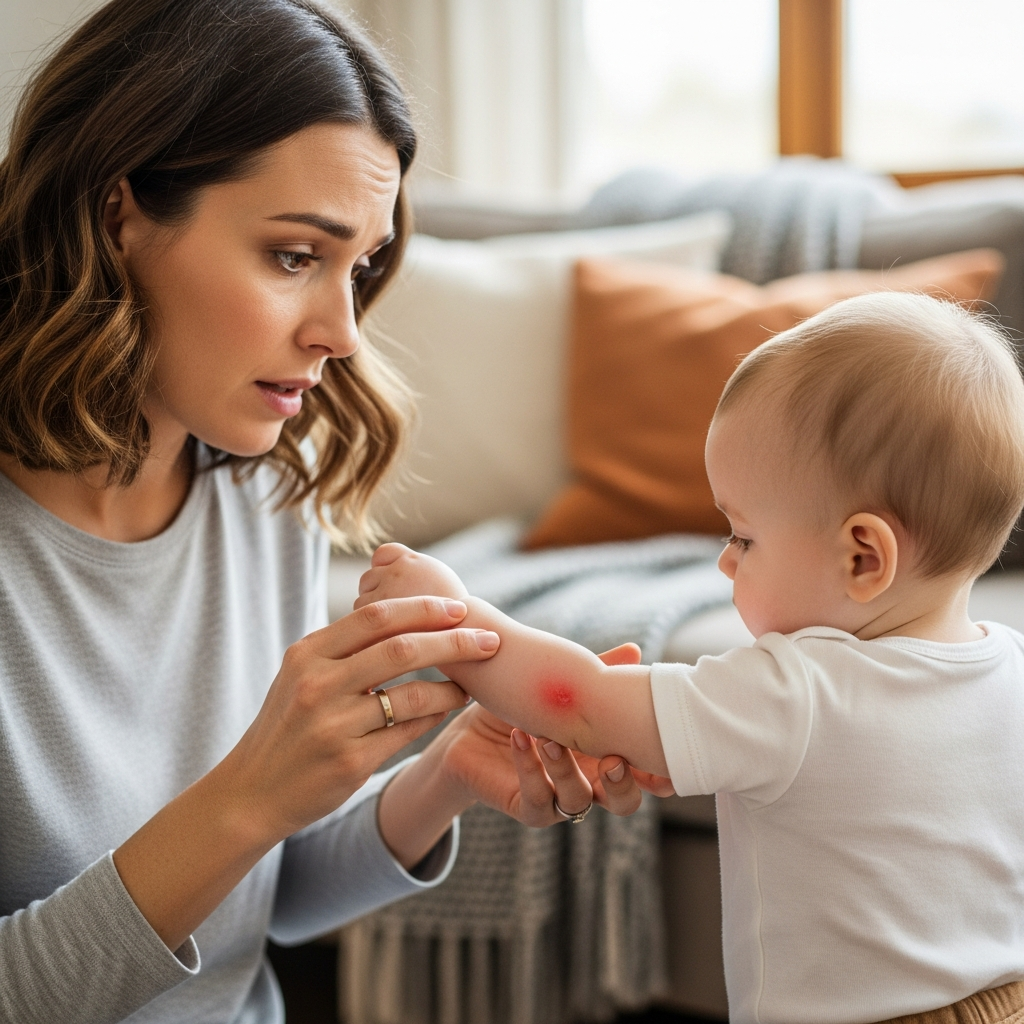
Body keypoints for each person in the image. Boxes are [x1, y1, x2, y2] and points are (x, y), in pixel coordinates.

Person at [0, 2, 662, 1021]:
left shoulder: (262, 492)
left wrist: (441, 776)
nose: (344, 333)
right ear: (117, 213)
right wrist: (249, 793)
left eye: (358, 267)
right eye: (294, 255)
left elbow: (254, 898)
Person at [358, 291, 1024, 1024]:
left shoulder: (793, 690)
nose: (725, 564)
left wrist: (449, 609)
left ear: (863, 556)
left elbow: (577, 702)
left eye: (742, 537)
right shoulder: (1010, 670)